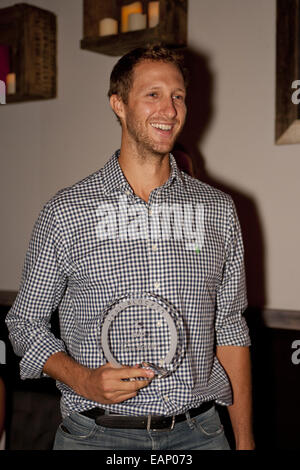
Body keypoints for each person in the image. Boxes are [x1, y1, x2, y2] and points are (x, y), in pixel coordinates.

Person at [6, 45, 254, 451]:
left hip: (201, 433)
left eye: (178, 96)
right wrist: (83, 379)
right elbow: (25, 325)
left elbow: (229, 327)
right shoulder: (67, 211)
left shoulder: (218, 210)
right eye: (152, 94)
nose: (170, 109)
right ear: (118, 104)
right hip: (96, 435)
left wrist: (244, 439)